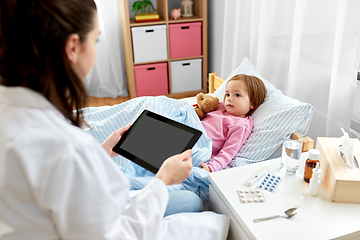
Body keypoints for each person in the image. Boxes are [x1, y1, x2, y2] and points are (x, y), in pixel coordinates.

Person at [0, 0, 209, 239]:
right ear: (73, 47)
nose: (96, 48)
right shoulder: (66, 148)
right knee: (192, 202)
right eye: (96, 39)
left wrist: (103, 151)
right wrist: (163, 180)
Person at [200, 74, 266, 172]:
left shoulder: (240, 125)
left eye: (237, 95)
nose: (229, 98)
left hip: (200, 145)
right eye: (227, 94)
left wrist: (211, 167)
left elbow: (228, 152)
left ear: (252, 103)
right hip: (190, 130)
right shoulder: (220, 106)